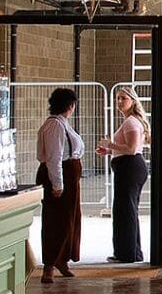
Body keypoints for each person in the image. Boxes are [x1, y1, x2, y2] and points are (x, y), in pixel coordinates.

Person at [36, 87, 85, 281]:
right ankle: (50, 263)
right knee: (56, 220)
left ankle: (62, 258)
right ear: (70, 105)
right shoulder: (55, 125)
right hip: (61, 175)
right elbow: (54, 157)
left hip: (69, 175)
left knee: (69, 219)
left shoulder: (62, 123)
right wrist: (58, 183)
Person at [96, 88, 149, 265]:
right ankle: (132, 252)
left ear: (133, 101)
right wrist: (110, 150)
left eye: (123, 98)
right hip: (129, 167)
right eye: (117, 98)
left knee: (124, 211)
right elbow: (127, 148)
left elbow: (132, 149)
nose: (119, 102)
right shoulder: (130, 121)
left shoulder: (131, 123)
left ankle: (126, 254)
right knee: (127, 210)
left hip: (129, 168)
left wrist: (110, 144)